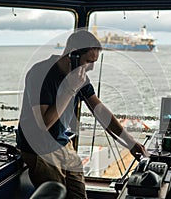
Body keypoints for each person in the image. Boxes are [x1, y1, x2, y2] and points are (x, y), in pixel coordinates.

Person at [16, 29, 149, 199]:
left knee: (79, 194)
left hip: (62, 142)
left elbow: (100, 111)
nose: (91, 68)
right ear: (73, 55)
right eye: (89, 61)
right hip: (39, 149)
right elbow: (44, 124)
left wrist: (130, 142)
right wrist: (71, 89)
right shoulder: (40, 73)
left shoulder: (80, 76)